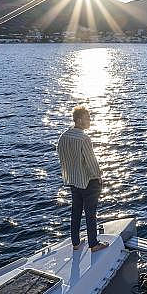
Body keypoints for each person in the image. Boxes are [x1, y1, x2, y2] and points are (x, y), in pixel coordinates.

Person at [57, 105, 106, 252]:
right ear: (79, 120)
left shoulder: (64, 136)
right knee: (90, 213)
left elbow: (60, 153)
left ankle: (76, 242)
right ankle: (93, 244)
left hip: (73, 180)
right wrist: (98, 176)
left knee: (76, 211)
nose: (90, 120)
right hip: (88, 181)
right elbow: (91, 162)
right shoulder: (84, 138)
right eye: (87, 118)